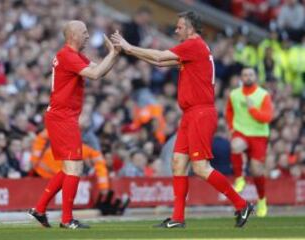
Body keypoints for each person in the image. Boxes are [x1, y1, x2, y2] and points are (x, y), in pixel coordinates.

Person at [111, 11, 253, 228]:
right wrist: (129, 52)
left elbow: (159, 57)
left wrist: (129, 47)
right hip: (191, 113)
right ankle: (178, 218)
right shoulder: (195, 48)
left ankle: (241, 204)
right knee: (178, 164)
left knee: (200, 168)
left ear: (190, 28)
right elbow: (159, 63)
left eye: (179, 27)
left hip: (200, 113)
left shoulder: (193, 45)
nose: (176, 30)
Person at [28, 20, 119, 229]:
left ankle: (39, 209)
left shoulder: (73, 56)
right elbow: (95, 74)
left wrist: (113, 55)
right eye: (85, 32)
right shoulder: (67, 56)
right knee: (75, 167)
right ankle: (67, 220)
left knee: (70, 167)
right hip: (62, 117)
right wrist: (113, 53)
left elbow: (100, 71)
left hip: (63, 117)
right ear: (74, 35)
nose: (88, 36)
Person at [226, 67, 273, 217]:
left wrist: (252, 109)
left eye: (250, 75)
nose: (247, 77)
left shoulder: (263, 95)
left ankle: (261, 199)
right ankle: (239, 178)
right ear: (241, 77)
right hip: (241, 132)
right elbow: (229, 112)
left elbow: (267, 117)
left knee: (256, 170)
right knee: (235, 145)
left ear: (256, 77)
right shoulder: (234, 94)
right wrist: (232, 128)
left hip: (259, 135)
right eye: (245, 75)